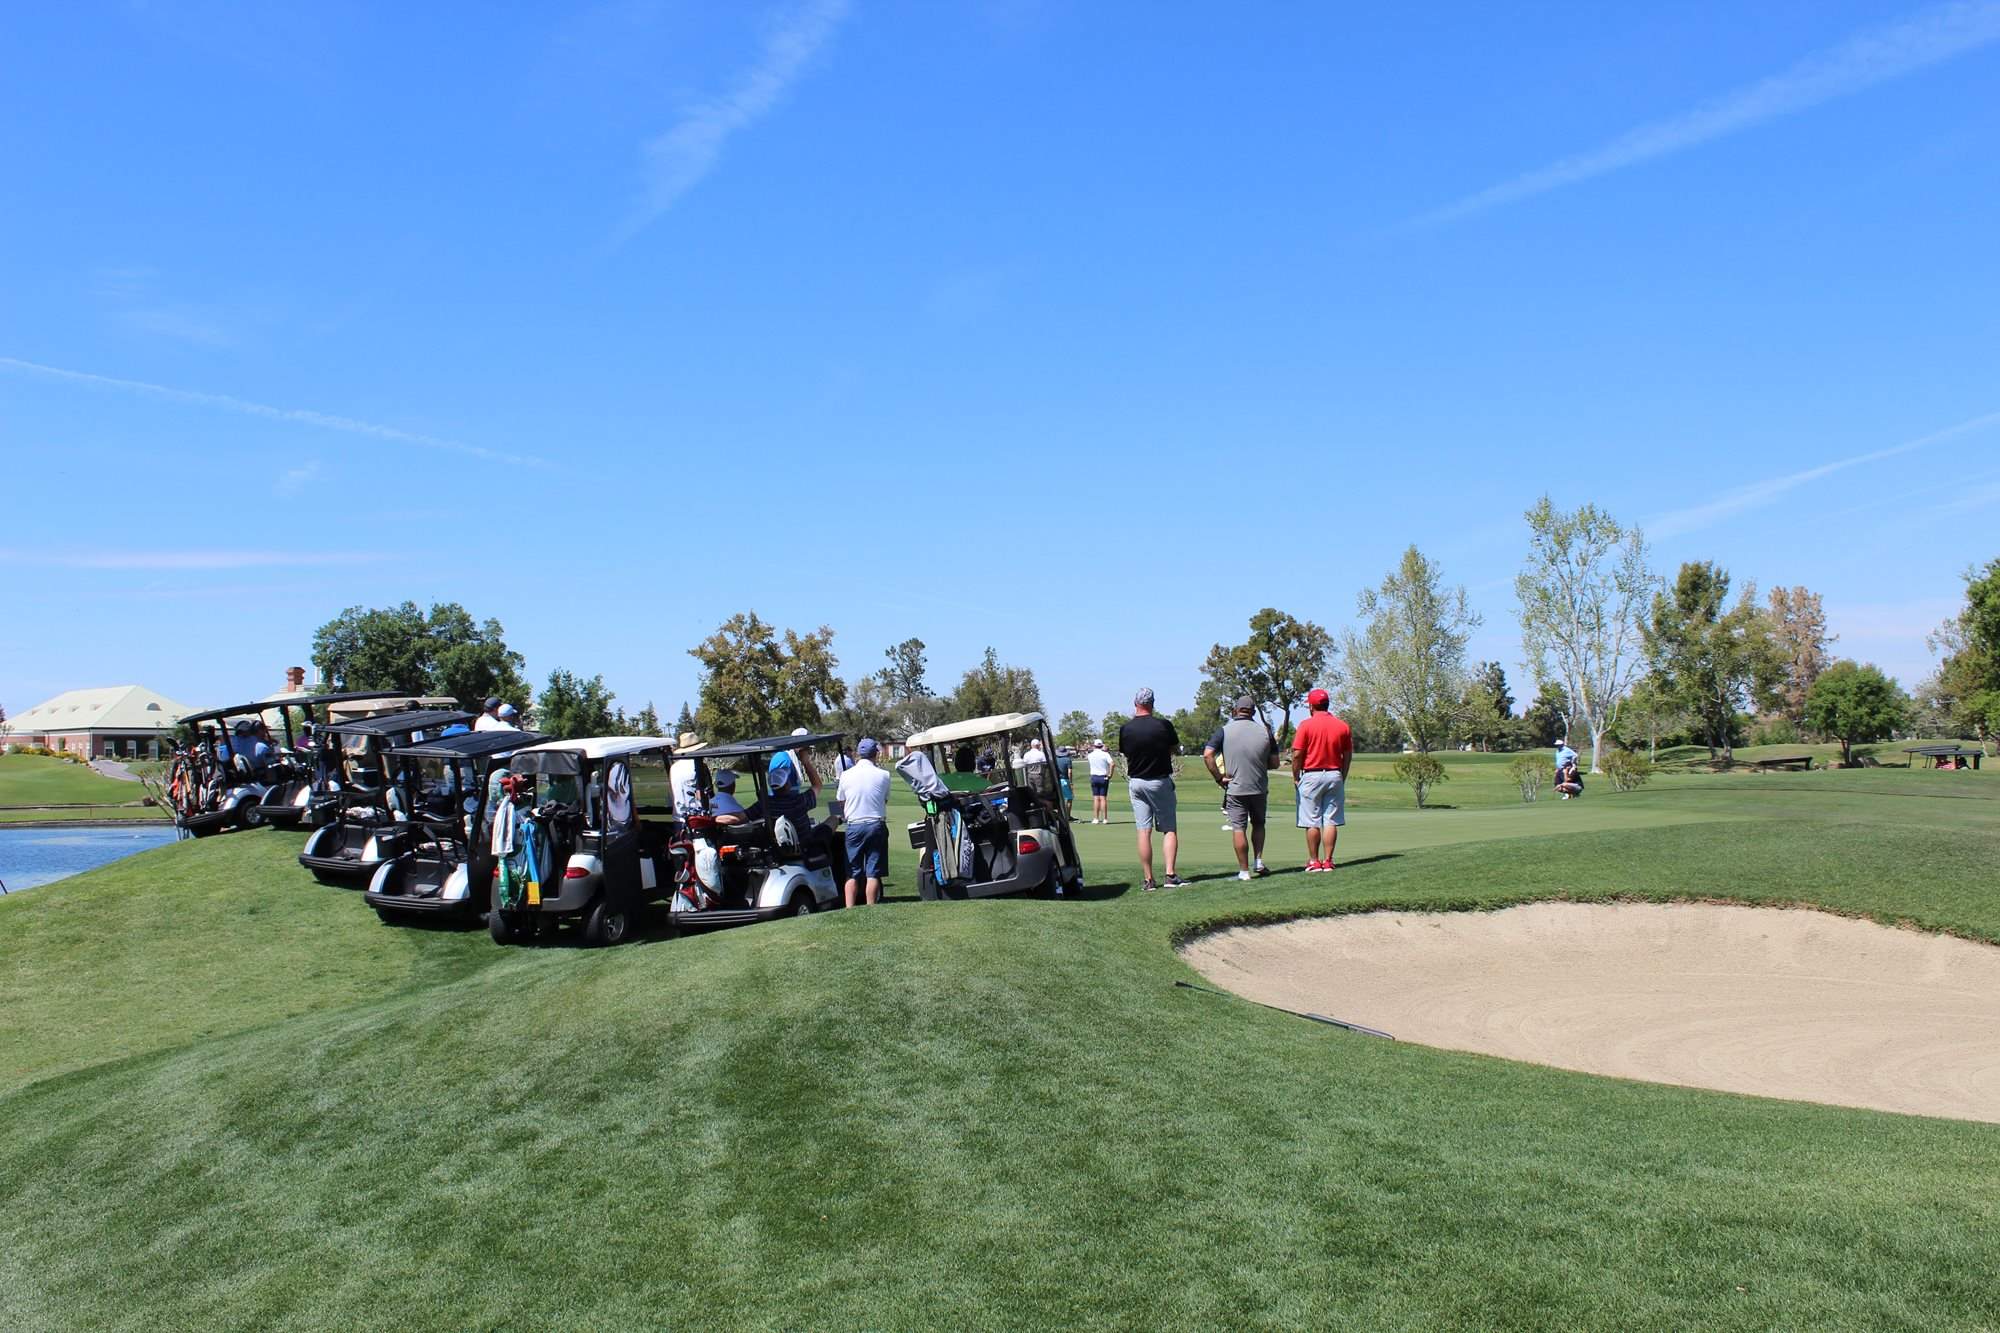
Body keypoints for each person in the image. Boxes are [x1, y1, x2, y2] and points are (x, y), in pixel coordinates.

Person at [1118, 687, 1183, 891]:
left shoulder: (1125, 729)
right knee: (1169, 829)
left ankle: (1148, 880)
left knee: (1143, 830)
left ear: (1135, 703)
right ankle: (1170, 875)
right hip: (1159, 781)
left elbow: (1125, 752)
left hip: (1136, 782)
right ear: (1152, 704)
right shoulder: (1163, 725)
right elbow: (1174, 748)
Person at [1206, 696, 1275, 881]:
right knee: (1259, 824)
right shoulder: (1265, 732)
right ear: (1253, 712)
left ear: (1235, 710)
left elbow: (1207, 755)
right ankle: (1258, 861)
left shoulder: (1224, 731)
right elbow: (1275, 762)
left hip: (1235, 788)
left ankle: (1244, 871)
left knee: (1239, 828)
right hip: (1259, 787)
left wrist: (1219, 778)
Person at [1291, 687, 1352, 872]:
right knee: (1330, 820)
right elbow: (1347, 755)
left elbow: (1297, 754)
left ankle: (1314, 861)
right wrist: (1342, 775)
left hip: (1311, 775)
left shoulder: (1305, 725)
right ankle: (1328, 861)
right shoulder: (1342, 725)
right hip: (1334, 774)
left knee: (1312, 821)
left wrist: (1296, 776)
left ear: (1311, 706)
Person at [837, 737, 893, 906]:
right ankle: (871, 907)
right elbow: (884, 800)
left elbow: (841, 801)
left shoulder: (845, 775)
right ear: (876, 753)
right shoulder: (884, 775)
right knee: (872, 872)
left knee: (852, 872)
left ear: (858, 754)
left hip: (854, 825)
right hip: (876, 824)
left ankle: (849, 908)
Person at [764, 749, 820, 847]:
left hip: (777, 848)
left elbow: (743, 816)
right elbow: (817, 785)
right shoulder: (799, 801)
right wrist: (806, 762)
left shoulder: (765, 804)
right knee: (832, 820)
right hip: (805, 846)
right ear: (787, 785)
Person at [1204, 720, 1232, 830]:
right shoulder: (1220, 757)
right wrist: (1220, 777)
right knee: (1230, 793)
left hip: (1226, 775)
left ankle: (1227, 810)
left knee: (1230, 793)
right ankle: (1226, 809)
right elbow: (1210, 758)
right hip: (1225, 775)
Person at [1087, 740, 1114, 823]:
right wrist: (1110, 774)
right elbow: (1112, 764)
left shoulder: (1090, 755)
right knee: (1103, 798)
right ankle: (1105, 819)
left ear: (1094, 746)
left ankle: (1096, 819)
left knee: (1096, 798)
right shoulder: (1105, 754)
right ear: (1102, 746)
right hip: (1103, 777)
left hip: (1094, 777)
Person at [1053, 746, 1075, 815]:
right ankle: (1067, 816)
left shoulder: (1055, 760)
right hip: (1065, 780)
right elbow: (1069, 772)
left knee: (1060, 799)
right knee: (1069, 798)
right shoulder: (1068, 760)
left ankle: (1060, 815)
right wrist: (1071, 782)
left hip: (1057, 780)